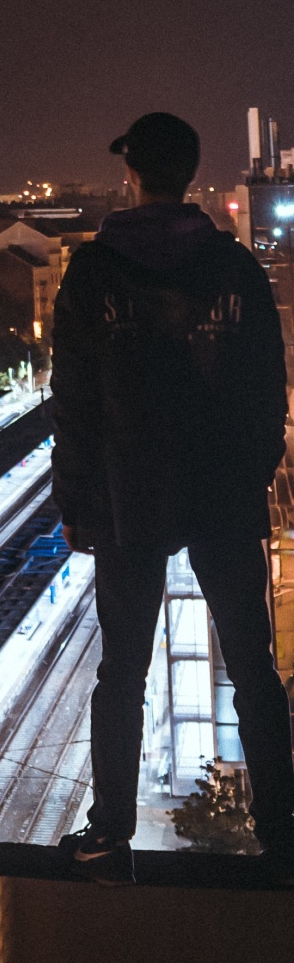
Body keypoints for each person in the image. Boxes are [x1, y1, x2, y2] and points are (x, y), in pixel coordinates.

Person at [51, 108, 294, 878]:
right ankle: (281, 828)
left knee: (121, 668)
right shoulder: (234, 270)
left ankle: (110, 830)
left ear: (131, 174)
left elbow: (74, 402)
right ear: (189, 175)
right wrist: (255, 474)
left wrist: (79, 504)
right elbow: (267, 390)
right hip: (221, 488)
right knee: (253, 665)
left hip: (130, 492)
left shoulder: (92, 273)